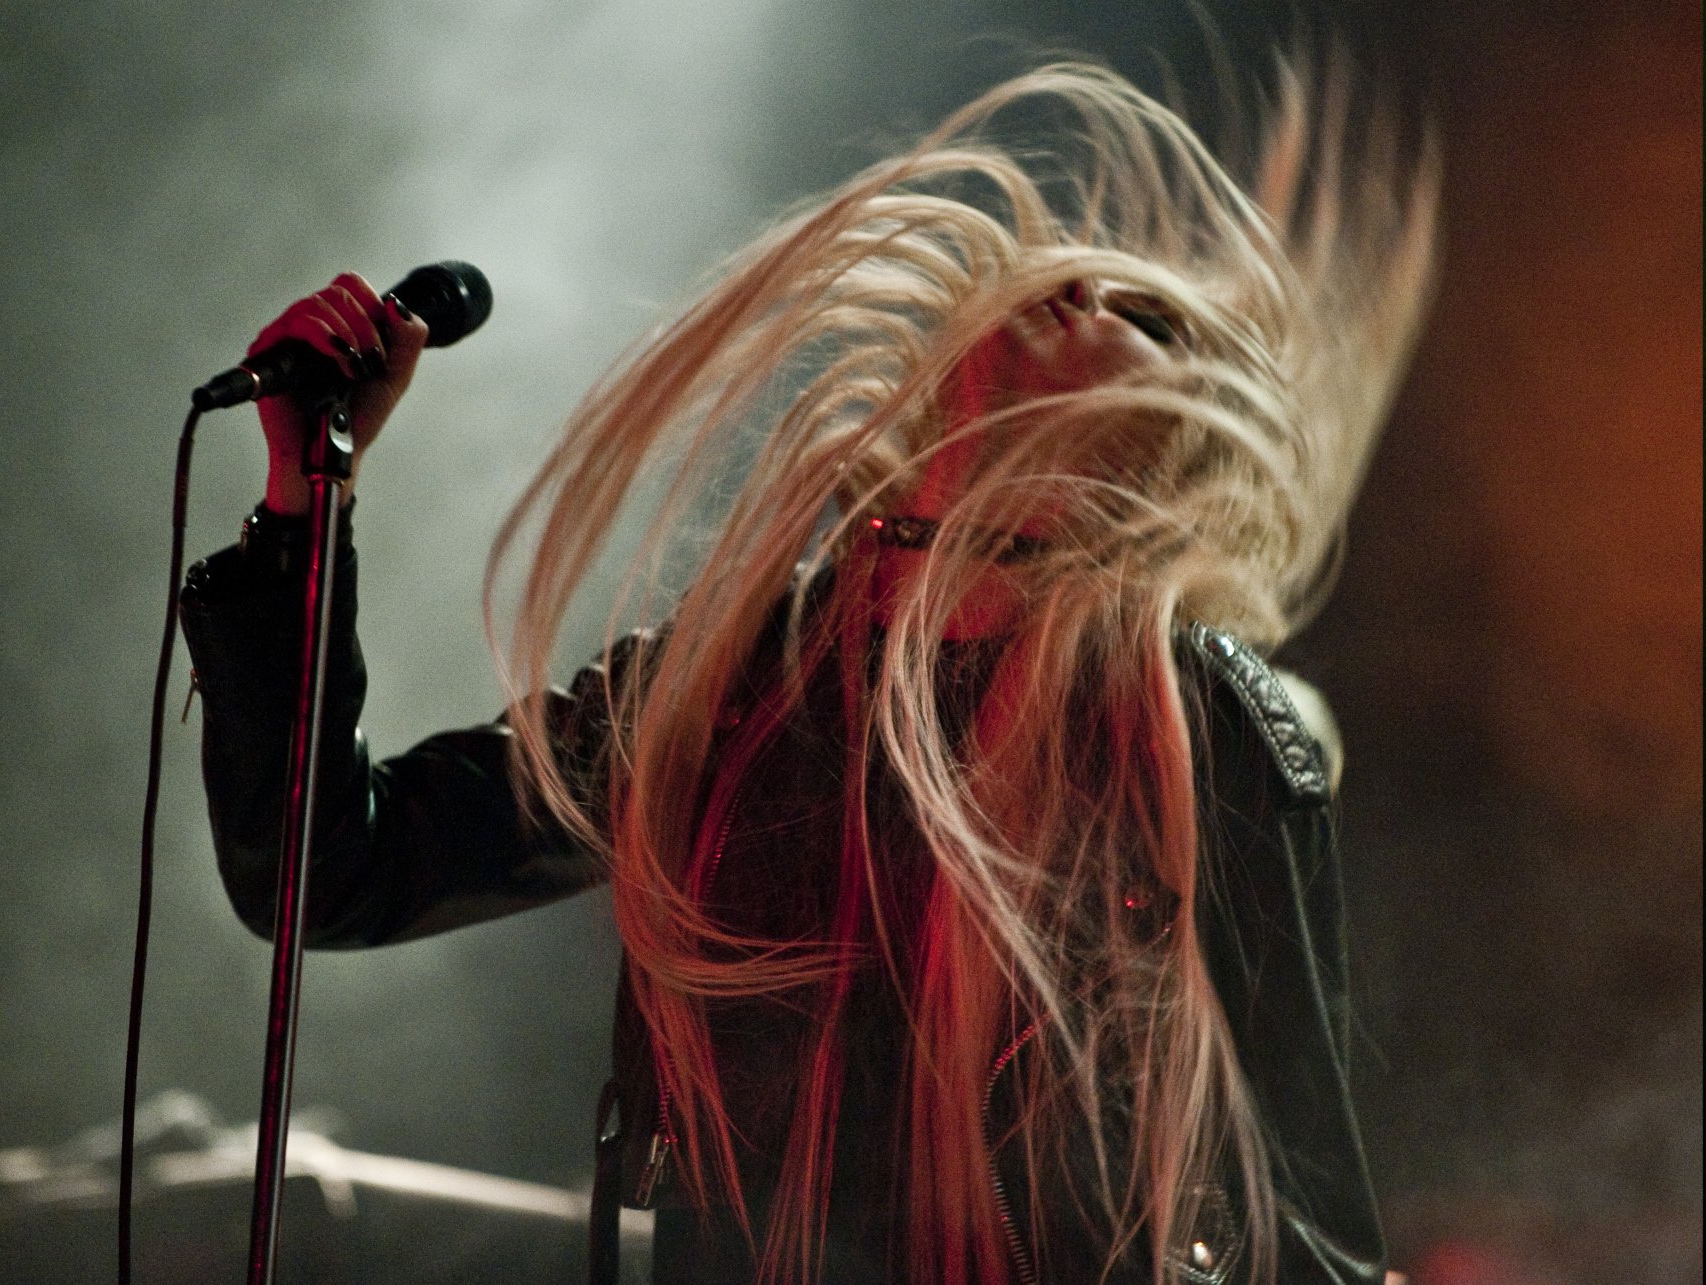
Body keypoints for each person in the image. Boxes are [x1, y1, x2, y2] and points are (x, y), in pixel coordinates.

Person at [181, 58, 1436, 1285]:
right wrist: (308, 497)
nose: (1087, 295)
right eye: (1083, 278)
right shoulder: (719, 693)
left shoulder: (1188, 720)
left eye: (1149, 324)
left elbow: (1316, 1227)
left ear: (1168, 465)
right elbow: (321, 874)